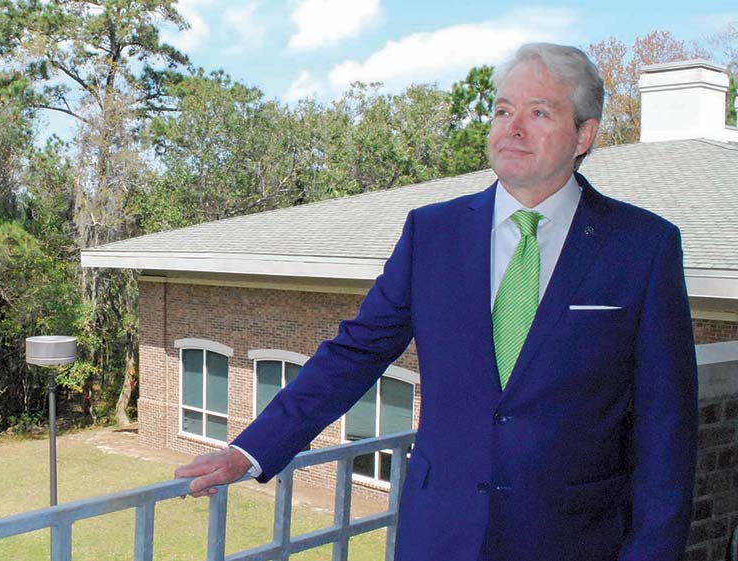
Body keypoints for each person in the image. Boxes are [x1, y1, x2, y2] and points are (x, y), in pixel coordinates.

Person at [174, 43, 697, 561]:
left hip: (574, 540)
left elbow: (666, 429)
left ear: (584, 133)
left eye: (539, 113)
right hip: (440, 534)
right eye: (502, 110)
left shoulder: (641, 247)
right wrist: (250, 451)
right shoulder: (433, 233)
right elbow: (355, 353)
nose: (512, 128)